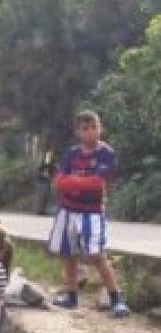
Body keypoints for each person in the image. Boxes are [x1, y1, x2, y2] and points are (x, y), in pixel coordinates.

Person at [48, 110, 129, 318]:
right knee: (69, 254)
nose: (91, 131)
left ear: (101, 127)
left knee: (96, 255)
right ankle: (71, 295)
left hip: (91, 212)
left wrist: (73, 182)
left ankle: (116, 299)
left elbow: (97, 183)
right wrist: (75, 183)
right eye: (85, 128)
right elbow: (58, 182)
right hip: (67, 210)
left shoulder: (106, 153)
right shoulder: (72, 153)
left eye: (94, 126)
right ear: (78, 131)